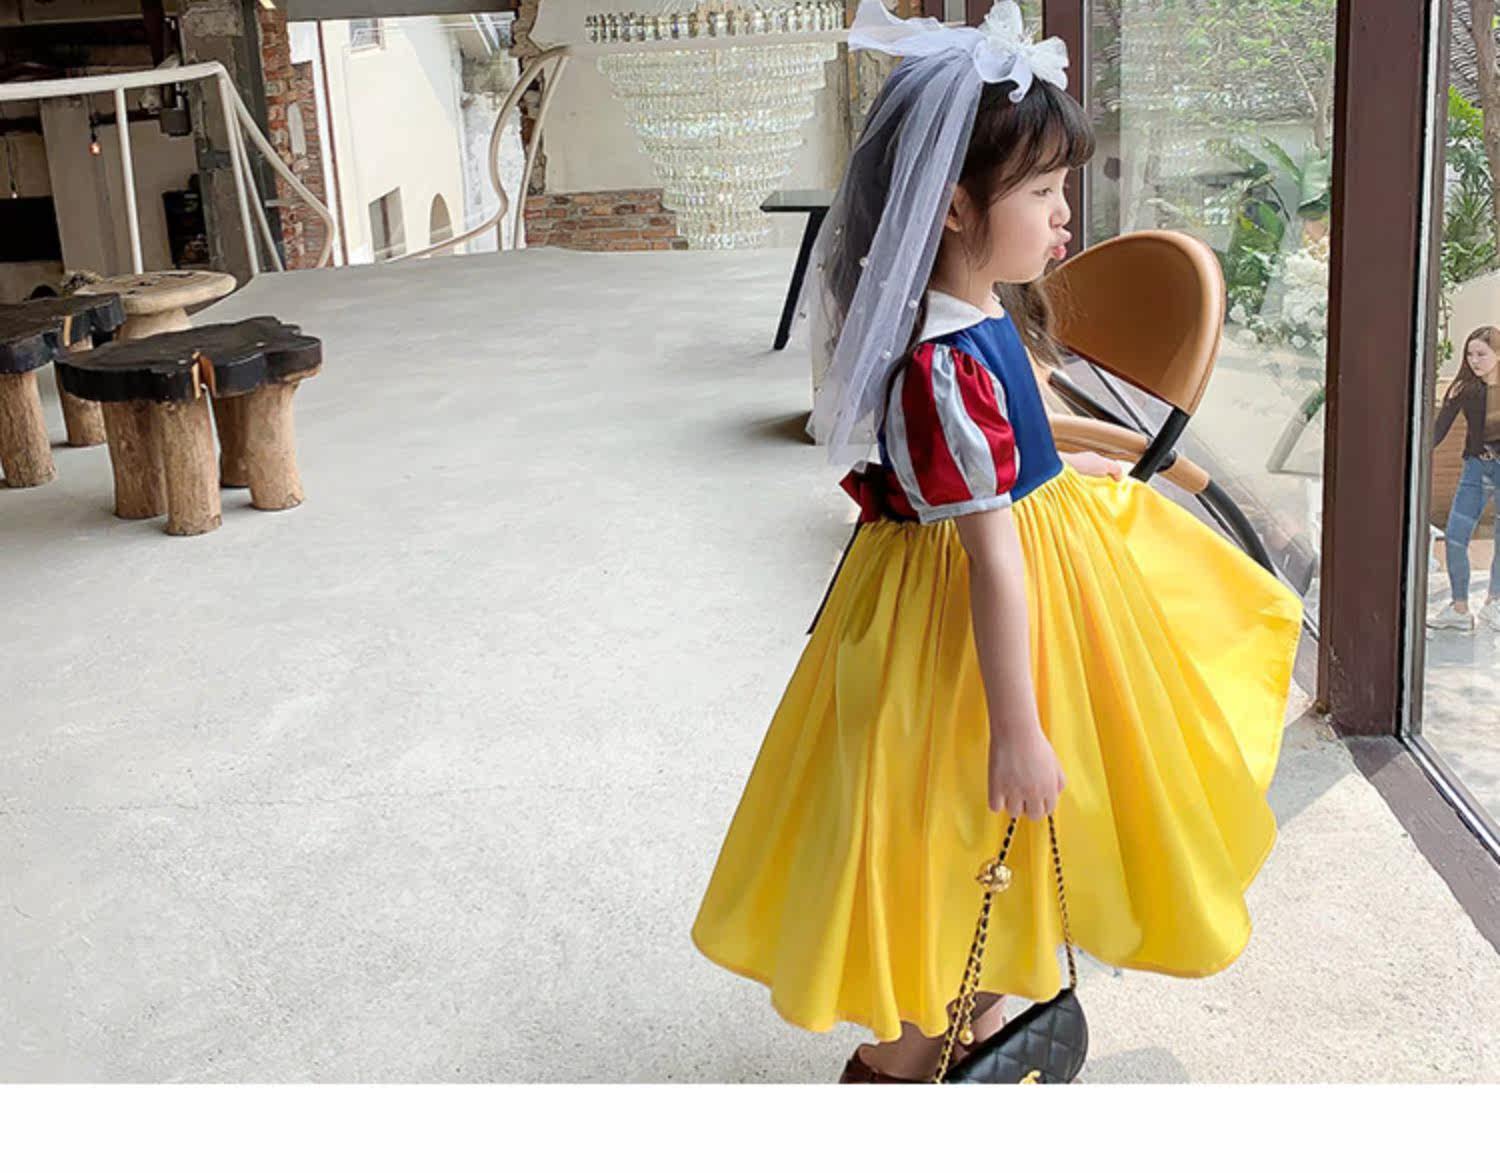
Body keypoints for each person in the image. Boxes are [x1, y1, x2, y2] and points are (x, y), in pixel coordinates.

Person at [690, 1, 1304, 1083]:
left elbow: (1018, 470)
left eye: (1063, 188)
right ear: (953, 205)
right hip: (966, 627)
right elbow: (991, 558)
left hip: (1024, 579)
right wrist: (1016, 727)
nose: (1065, 217)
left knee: (1002, 823)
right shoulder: (945, 364)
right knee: (955, 812)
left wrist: (1073, 474)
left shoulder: (982, 319)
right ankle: (909, 1054)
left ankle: (978, 1005)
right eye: (1042, 192)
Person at [1428, 325, 1500, 633]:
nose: (1474, 360)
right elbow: (1438, 431)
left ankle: (1494, 603)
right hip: (1475, 469)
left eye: (1481, 354)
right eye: (1470, 354)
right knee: (1456, 537)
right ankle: (1459, 609)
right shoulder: (1463, 389)